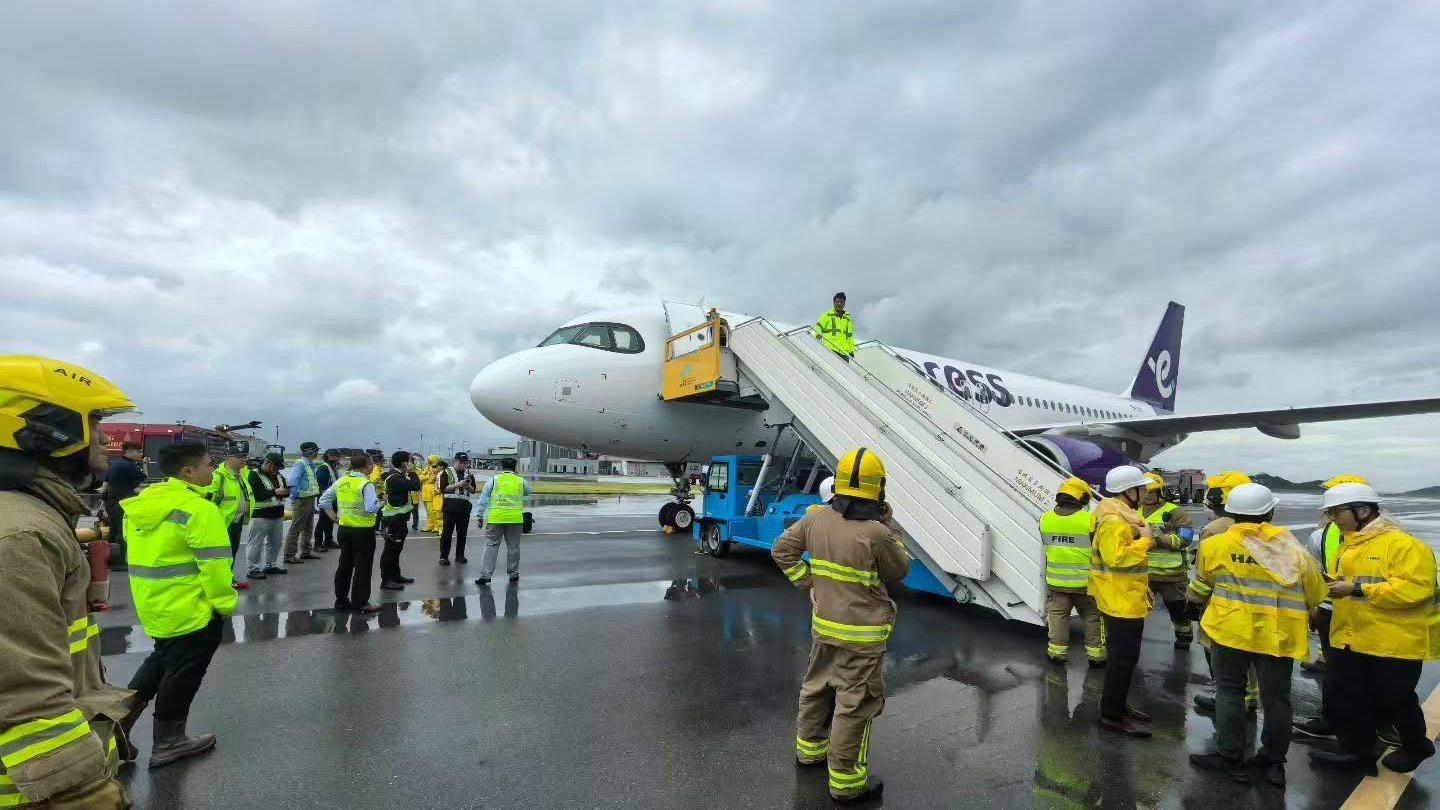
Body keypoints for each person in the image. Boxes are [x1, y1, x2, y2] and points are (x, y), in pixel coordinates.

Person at [0, 355, 140, 807]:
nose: (105, 436)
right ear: (46, 427)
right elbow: (23, 695)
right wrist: (84, 794)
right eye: (95, 420)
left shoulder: (30, 518)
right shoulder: (19, 534)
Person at [771, 448, 908, 804]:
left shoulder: (815, 518)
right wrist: (889, 525)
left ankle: (809, 751)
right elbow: (898, 571)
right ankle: (847, 783)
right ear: (878, 489)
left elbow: (781, 550)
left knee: (816, 687)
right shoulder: (877, 532)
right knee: (855, 704)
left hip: (825, 626)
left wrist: (810, 583)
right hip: (862, 635)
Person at [1187, 483, 1325, 787]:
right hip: (1279, 635)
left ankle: (1229, 756)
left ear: (1231, 512)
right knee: (1276, 699)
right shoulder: (1294, 550)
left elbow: (1201, 586)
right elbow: (1316, 594)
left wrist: (1191, 604)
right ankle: (1274, 763)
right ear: (1270, 512)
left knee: (1229, 693)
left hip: (1230, 631)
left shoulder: (1215, 546)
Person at [1309, 482, 1439, 775]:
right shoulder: (1349, 545)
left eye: (1335, 511)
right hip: (1354, 638)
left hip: (1394, 641)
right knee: (1350, 695)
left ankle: (1417, 746)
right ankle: (1355, 752)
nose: (1331, 518)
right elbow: (1346, 584)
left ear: (1363, 511)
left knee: (1396, 699)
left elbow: (1416, 590)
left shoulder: (1404, 545)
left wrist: (1357, 589)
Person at [121, 442, 238, 768]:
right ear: (188, 471)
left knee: (161, 661)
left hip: (154, 604)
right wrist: (226, 606)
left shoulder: (143, 504)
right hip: (193, 609)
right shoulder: (199, 510)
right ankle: (169, 742)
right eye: (207, 465)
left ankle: (116, 722)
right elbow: (215, 568)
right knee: (183, 672)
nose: (212, 470)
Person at [1187, 471, 1261, 717]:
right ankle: (1249, 695)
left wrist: (1193, 602)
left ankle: (1227, 697)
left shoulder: (1215, 529)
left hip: (1220, 603)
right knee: (1246, 651)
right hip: (1253, 603)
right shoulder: (1263, 529)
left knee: (1217, 652)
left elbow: (1204, 575)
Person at [1088, 465, 1154, 738]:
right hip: (1119, 601)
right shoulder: (1114, 521)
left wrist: (1144, 587)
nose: (1146, 493)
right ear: (1129, 491)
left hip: (1124, 595)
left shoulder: (1120, 515)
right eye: (1142, 488)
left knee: (1125, 659)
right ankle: (1111, 715)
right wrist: (1146, 541)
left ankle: (1117, 705)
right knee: (1122, 660)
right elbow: (1118, 558)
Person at [1042, 477, 1104, 667]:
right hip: (1086, 583)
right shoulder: (1090, 520)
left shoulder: (1046, 518)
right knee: (1092, 617)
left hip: (1057, 583)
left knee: (1058, 617)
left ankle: (1056, 654)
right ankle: (1097, 656)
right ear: (1083, 498)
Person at [320, 452, 382, 613]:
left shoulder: (342, 480)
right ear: (366, 466)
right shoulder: (365, 484)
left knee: (344, 566)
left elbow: (324, 500)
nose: (373, 466)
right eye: (371, 464)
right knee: (363, 568)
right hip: (362, 531)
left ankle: (341, 600)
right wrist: (382, 502)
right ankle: (361, 603)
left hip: (344, 529)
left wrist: (333, 517)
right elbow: (370, 508)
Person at [1139, 472, 1196, 648]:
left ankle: (1184, 638)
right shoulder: (1133, 511)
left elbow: (1184, 539)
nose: (1147, 495)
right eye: (1144, 491)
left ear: (1161, 492)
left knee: (1178, 610)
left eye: (1152, 492)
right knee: (1136, 612)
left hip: (1172, 575)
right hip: (1143, 574)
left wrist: (1156, 540)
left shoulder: (1176, 513)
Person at [474, 458, 532, 585]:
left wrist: (479, 515)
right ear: (515, 468)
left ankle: (486, 575)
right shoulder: (520, 481)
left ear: (501, 467)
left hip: (496, 518)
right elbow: (528, 492)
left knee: (491, 546)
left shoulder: (494, 480)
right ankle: (514, 574)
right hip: (515, 519)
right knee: (513, 547)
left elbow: (483, 498)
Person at [206, 446, 250, 590]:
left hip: (236, 520)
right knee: (222, 555)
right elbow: (208, 501)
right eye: (240, 457)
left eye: (245, 457)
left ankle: (229, 579)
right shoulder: (219, 476)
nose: (244, 460)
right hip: (224, 522)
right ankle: (221, 583)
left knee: (232, 552)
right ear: (229, 457)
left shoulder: (240, 475)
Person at [243, 452, 289, 580]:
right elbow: (257, 494)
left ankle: (270, 565)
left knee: (276, 542)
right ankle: (252, 569)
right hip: (260, 516)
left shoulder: (279, 476)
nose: (276, 470)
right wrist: (275, 492)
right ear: (267, 463)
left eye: (278, 468)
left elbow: (286, 489)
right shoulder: (254, 475)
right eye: (275, 467)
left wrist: (284, 492)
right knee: (255, 544)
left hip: (277, 515)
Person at [102, 440, 147, 569]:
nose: (141, 454)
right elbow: (145, 477)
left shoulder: (115, 464)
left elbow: (105, 484)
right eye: (139, 452)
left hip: (111, 502)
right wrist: (144, 464)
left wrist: (104, 500)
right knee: (122, 531)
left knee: (113, 530)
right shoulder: (130, 466)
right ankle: (120, 562)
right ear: (130, 452)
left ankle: (110, 560)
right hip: (122, 502)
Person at [380, 451, 420, 591]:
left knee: (397, 550)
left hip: (399, 519)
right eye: (410, 461)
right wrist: (413, 472)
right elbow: (415, 485)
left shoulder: (398, 476)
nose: (412, 464)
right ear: (404, 463)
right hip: (393, 520)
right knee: (390, 551)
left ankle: (395, 576)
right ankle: (386, 580)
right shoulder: (395, 477)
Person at [282, 442, 322, 565]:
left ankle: (306, 551)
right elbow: (292, 481)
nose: (316, 453)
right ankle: (289, 555)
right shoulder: (301, 464)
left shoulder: (310, 464)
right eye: (315, 451)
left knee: (308, 527)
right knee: (296, 527)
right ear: (311, 451)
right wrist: (296, 495)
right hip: (302, 500)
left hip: (309, 499)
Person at [437, 452, 476, 565]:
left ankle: (460, 556)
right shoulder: (446, 472)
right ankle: (444, 557)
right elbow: (443, 489)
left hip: (464, 508)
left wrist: (468, 486)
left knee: (462, 533)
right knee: (447, 533)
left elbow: (473, 490)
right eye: (461, 462)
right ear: (455, 461)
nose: (463, 465)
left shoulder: (469, 474)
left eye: (465, 463)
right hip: (450, 507)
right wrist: (458, 484)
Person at [311, 448, 342, 551]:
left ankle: (329, 540)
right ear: (328, 457)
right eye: (333, 456)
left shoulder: (333, 468)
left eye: (336, 456)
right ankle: (317, 544)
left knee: (330, 521)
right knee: (323, 521)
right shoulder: (323, 468)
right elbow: (323, 486)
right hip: (326, 499)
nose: (335, 458)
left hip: (333, 499)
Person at [813, 292, 855, 359]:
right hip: (831, 349)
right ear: (834, 302)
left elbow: (850, 336)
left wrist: (851, 350)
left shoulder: (847, 318)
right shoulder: (827, 315)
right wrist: (817, 335)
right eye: (837, 302)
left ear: (844, 303)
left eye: (841, 302)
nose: (839, 304)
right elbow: (818, 327)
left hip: (845, 353)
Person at [422, 455, 443, 533]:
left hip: (431, 493)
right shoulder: (427, 468)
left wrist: (426, 477)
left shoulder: (436, 469)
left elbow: (431, 479)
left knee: (433, 512)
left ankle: (436, 527)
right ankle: (429, 526)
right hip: (425, 493)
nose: (428, 461)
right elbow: (419, 477)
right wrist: (427, 476)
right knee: (428, 512)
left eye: (430, 460)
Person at [407, 454, 423, 531]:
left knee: (415, 511)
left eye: (410, 462)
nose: (409, 465)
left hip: (415, 494)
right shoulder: (404, 471)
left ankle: (414, 526)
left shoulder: (418, 470)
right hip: (406, 494)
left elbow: (419, 480)